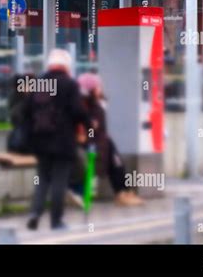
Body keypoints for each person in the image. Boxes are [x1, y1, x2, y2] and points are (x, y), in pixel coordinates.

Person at [24, 49, 91, 230]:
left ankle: (35, 213)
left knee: (43, 179)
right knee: (59, 180)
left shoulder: (39, 83)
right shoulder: (69, 84)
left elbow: (27, 112)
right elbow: (78, 111)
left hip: (40, 141)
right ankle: (56, 221)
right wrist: (89, 128)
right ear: (67, 66)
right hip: (63, 141)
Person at [70, 72, 144, 207]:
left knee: (116, 159)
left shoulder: (97, 105)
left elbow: (95, 129)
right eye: (98, 87)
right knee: (113, 157)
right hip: (90, 145)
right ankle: (122, 192)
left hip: (99, 144)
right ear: (89, 91)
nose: (100, 89)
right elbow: (86, 132)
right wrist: (91, 135)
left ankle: (124, 191)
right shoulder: (83, 108)